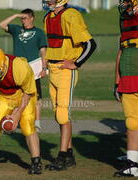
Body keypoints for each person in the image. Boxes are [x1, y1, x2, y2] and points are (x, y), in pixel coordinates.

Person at [42, 0, 96, 171]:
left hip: (66, 70)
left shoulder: (71, 15)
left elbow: (90, 44)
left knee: (63, 114)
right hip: (53, 69)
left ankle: (62, 156)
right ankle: (69, 154)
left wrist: (76, 63)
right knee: (58, 114)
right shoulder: (48, 16)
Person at [0, 8, 47, 132]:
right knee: (17, 94)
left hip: (33, 69)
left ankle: (37, 121)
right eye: (22, 18)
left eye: (25, 18)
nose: (23, 20)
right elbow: (2, 25)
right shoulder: (16, 29)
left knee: (36, 95)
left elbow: (43, 52)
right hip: (18, 68)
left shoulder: (39, 32)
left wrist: (44, 68)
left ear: (32, 18)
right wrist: (15, 15)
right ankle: (14, 119)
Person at [114, 0, 138, 177]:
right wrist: (117, 80)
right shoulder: (124, 19)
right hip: (128, 75)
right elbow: (121, 50)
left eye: (128, 3)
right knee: (131, 121)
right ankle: (133, 162)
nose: (125, 6)